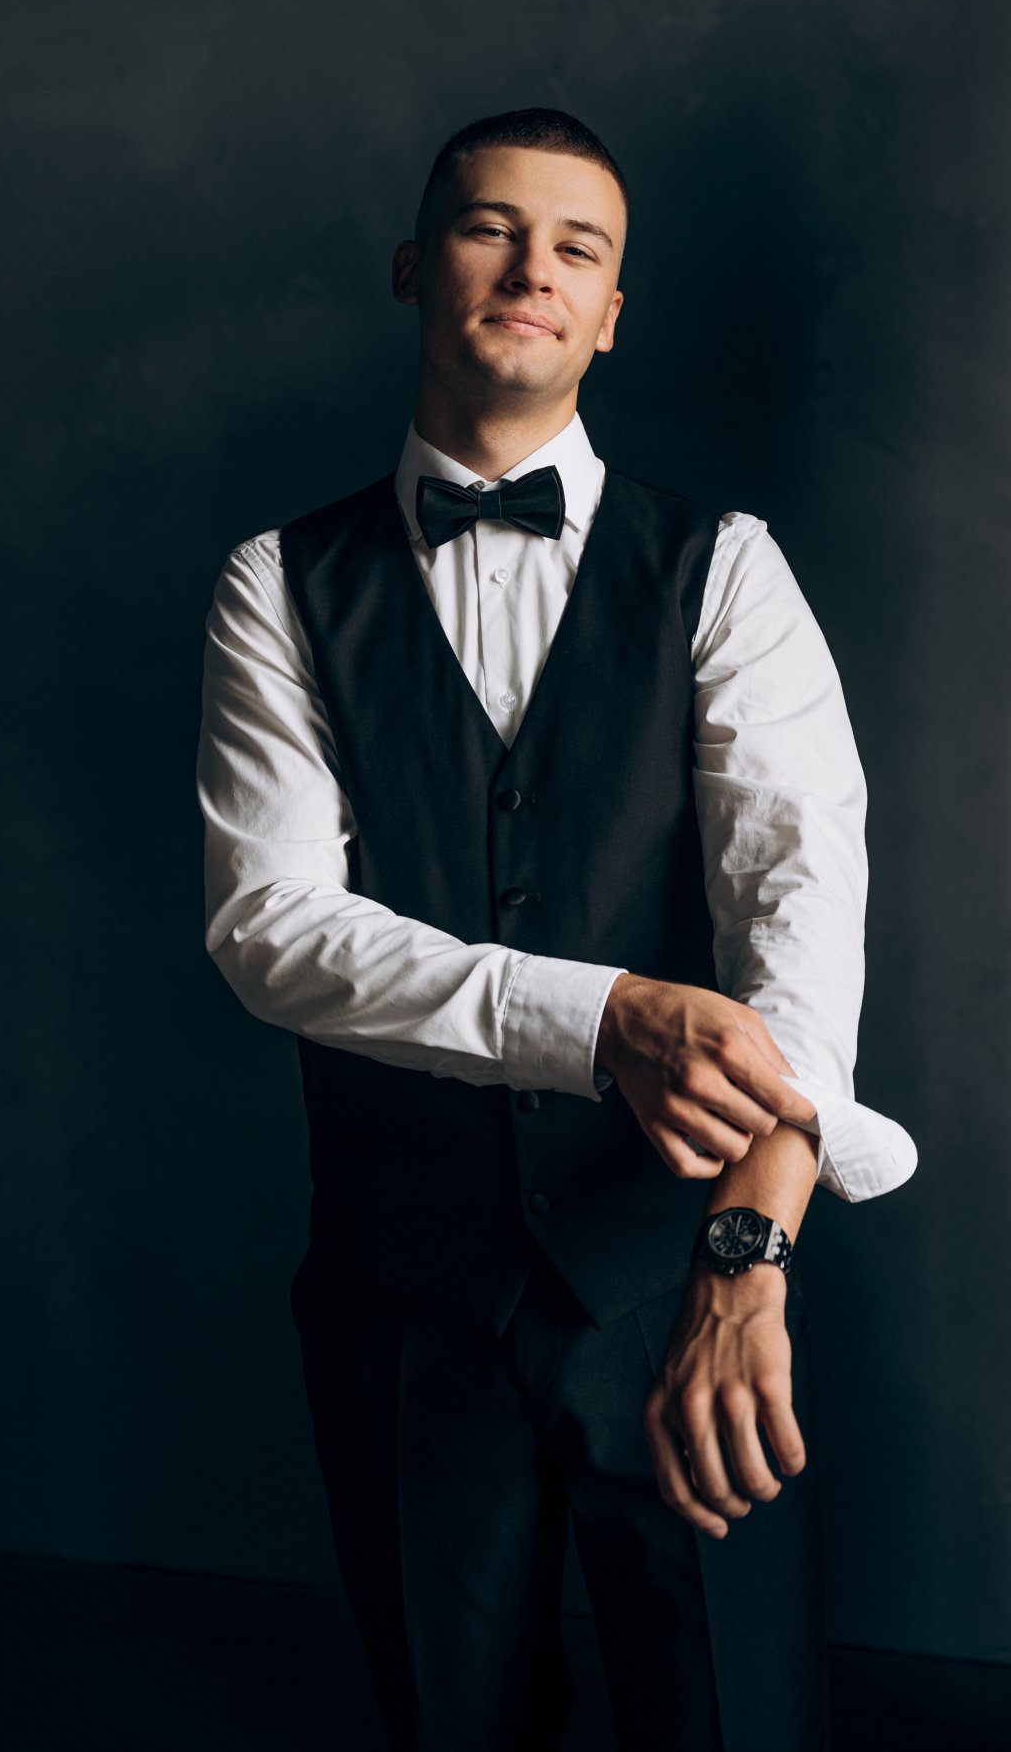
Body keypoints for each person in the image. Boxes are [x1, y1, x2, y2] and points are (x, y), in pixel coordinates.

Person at [196, 106, 917, 1752]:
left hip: (680, 1281)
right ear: (413, 269)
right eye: (489, 228)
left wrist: (746, 1261)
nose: (533, 267)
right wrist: (603, 1018)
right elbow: (270, 926)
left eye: (577, 247)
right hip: (404, 1296)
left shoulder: (726, 571)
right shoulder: (277, 582)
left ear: (609, 315)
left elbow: (803, 926)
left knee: (735, 1724)